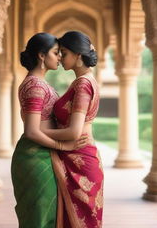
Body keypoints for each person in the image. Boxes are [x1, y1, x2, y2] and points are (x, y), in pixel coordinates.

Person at [11, 32, 88, 228]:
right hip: (35, 156)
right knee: (39, 217)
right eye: (56, 52)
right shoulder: (35, 86)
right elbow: (31, 131)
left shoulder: (40, 83)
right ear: (42, 56)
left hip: (43, 154)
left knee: (49, 215)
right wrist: (61, 145)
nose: (60, 57)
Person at [42, 31, 104, 228]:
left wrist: (37, 132)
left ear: (78, 55)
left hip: (80, 162)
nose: (60, 58)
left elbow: (74, 132)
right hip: (79, 159)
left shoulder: (83, 85)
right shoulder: (85, 81)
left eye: (64, 52)